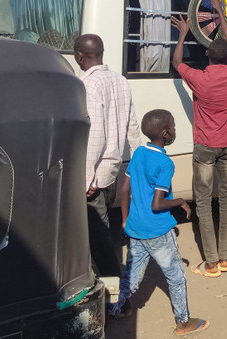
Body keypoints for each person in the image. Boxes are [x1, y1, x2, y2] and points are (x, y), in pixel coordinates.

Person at [107, 110, 210, 336]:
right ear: (165, 133)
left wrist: (124, 222)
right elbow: (157, 204)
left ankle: (108, 313)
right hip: (158, 231)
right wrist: (180, 201)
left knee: (131, 279)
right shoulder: (165, 163)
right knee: (176, 277)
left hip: (135, 228)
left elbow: (124, 190)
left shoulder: (138, 153)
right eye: (172, 127)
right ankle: (183, 322)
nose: (174, 130)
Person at [171, 0, 227, 278]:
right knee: (226, 199)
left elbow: (177, 62)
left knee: (203, 201)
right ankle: (225, 258)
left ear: (207, 55)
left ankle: (212, 263)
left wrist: (183, 34)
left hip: (205, 146)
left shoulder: (199, 79)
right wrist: (220, 13)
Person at [74, 34, 141, 278]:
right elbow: (132, 125)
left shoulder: (88, 85)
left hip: (94, 177)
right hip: (112, 170)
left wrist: (87, 178)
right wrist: (139, 160)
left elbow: (95, 135)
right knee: (101, 232)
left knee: (98, 238)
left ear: (79, 56)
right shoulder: (120, 80)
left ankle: (113, 289)